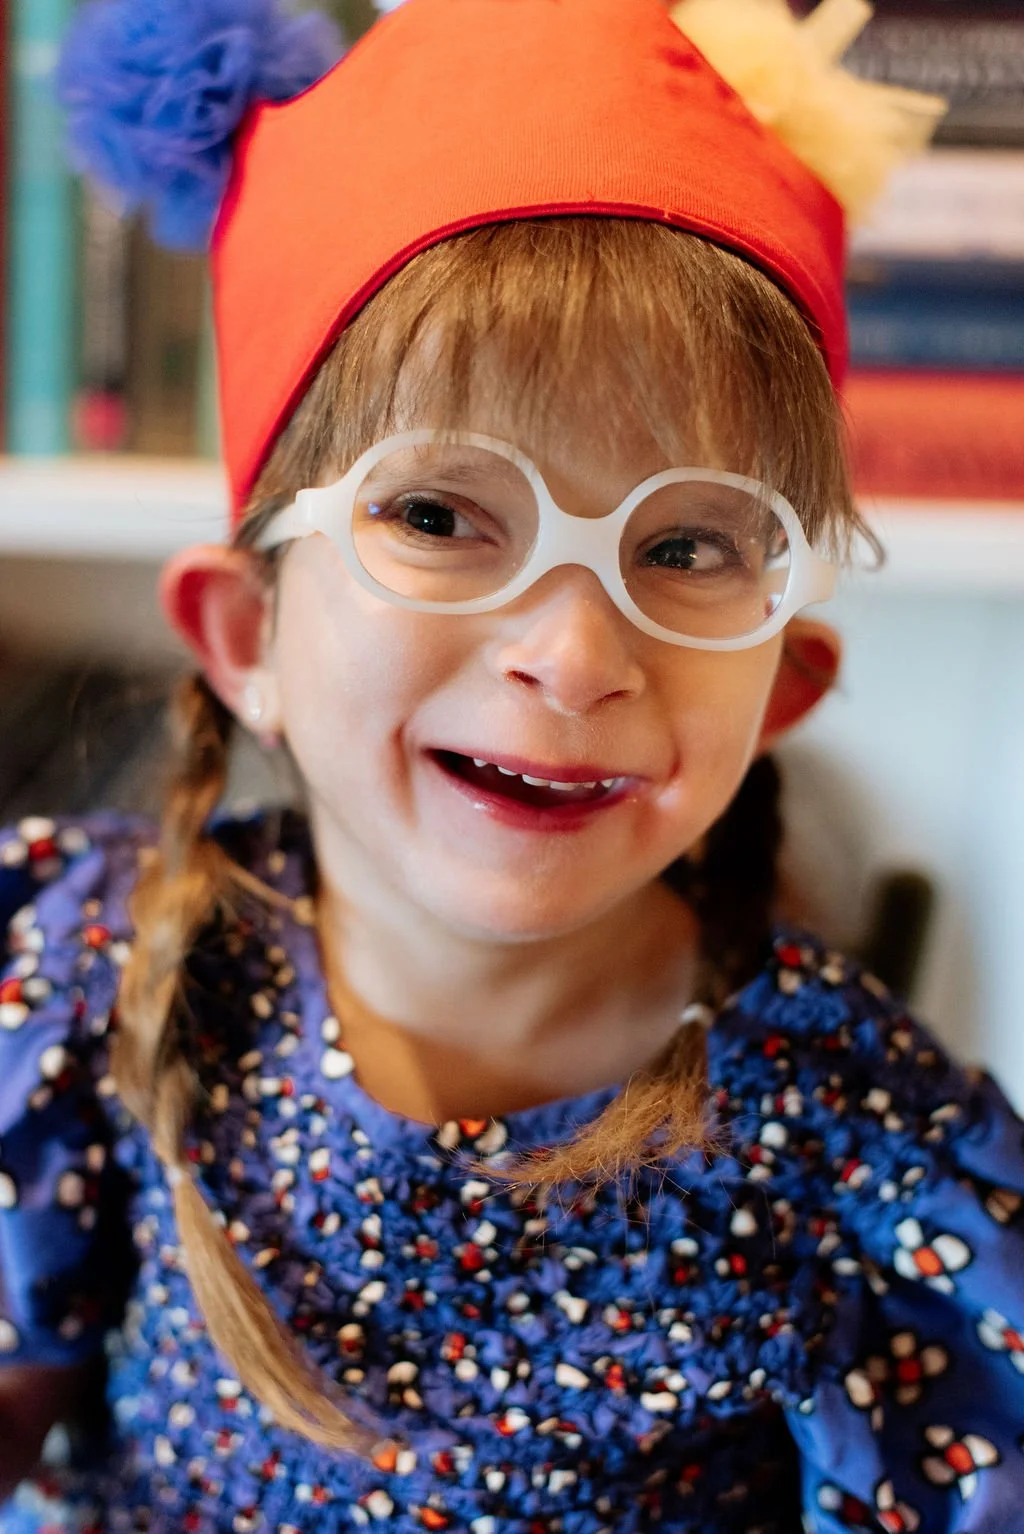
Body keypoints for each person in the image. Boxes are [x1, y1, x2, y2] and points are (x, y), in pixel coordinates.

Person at [2, 0, 1023, 1529]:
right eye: (438, 517)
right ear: (244, 631)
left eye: (684, 546)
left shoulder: (871, 1155)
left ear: (787, 683)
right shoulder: (93, 987)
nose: (576, 652)